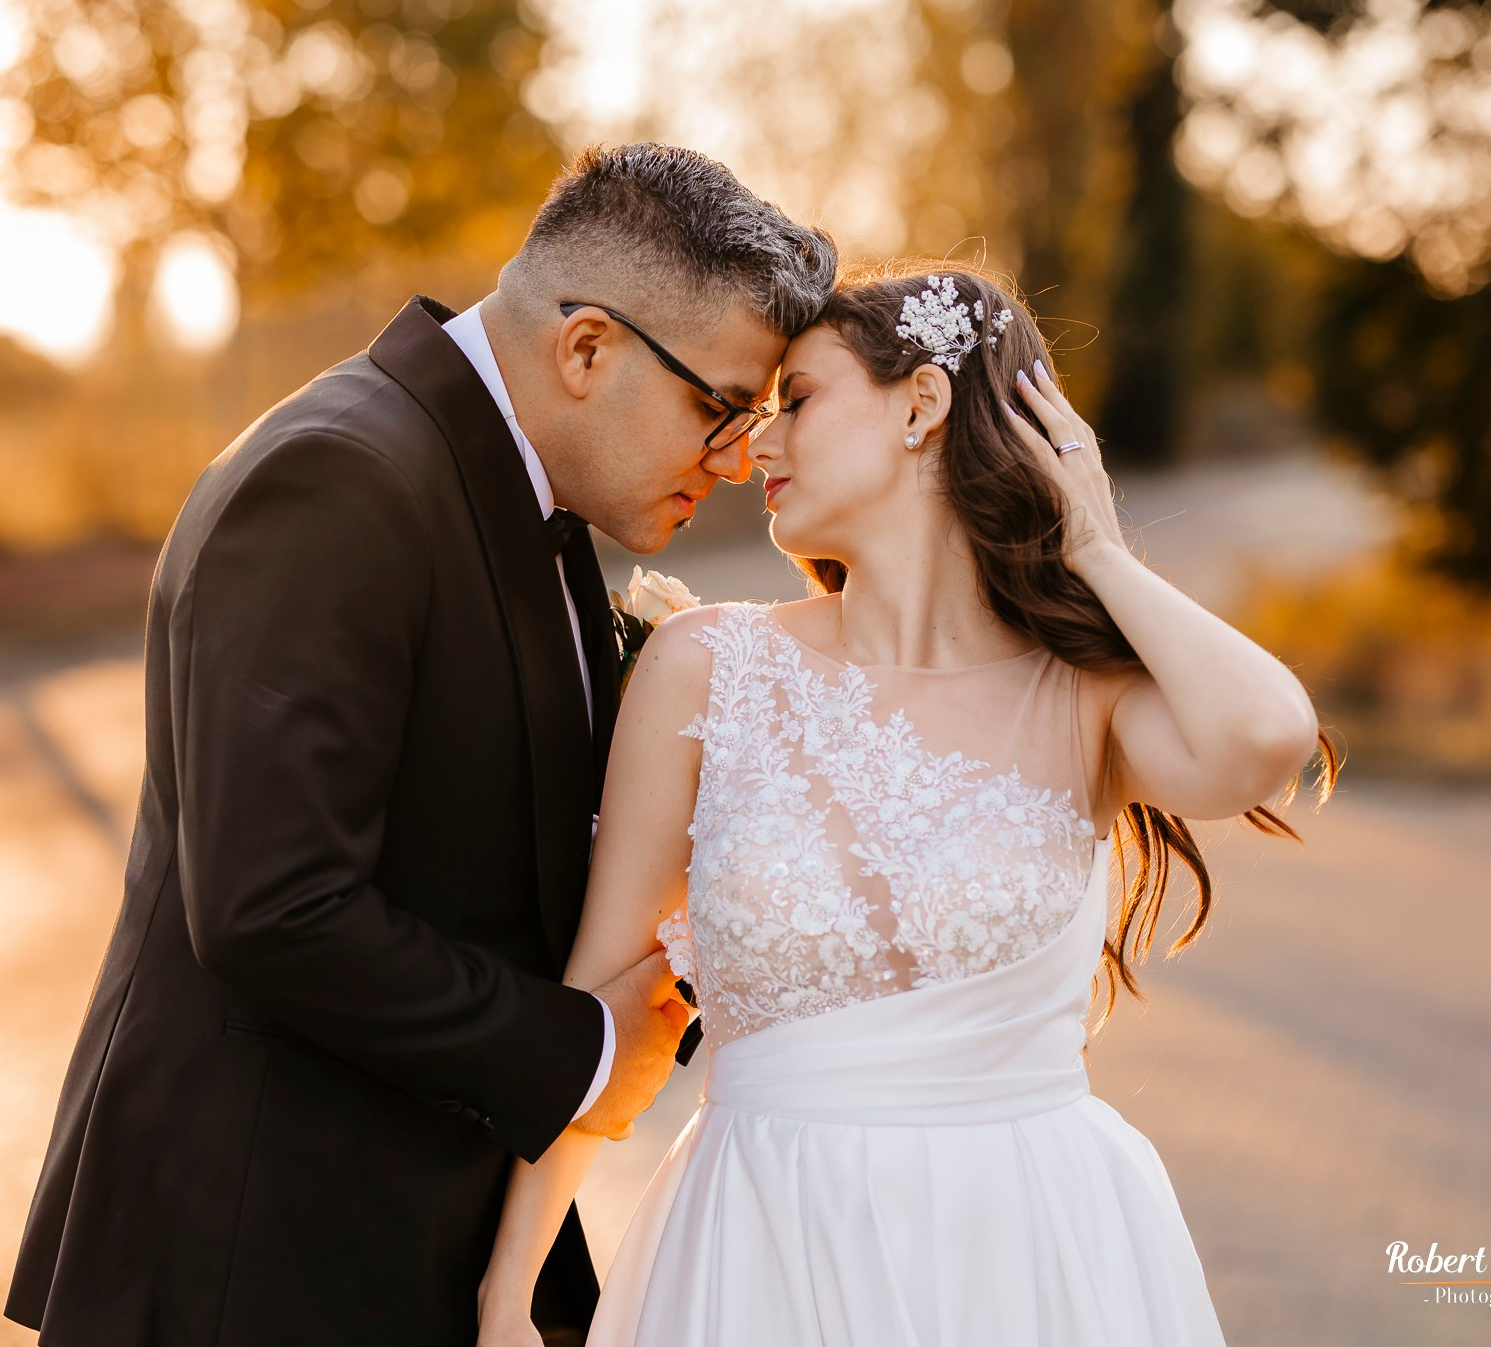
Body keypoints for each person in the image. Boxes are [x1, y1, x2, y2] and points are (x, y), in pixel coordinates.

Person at [1, 144, 837, 1347]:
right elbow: (269, 905)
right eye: (717, 408)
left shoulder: (511, 485)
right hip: (256, 1256)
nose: (733, 456)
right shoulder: (340, 476)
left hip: (396, 1230)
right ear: (587, 348)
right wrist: (581, 1049)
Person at [475, 263, 1337, 1346]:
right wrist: (509, 1294)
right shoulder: (707, 669)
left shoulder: (1080, 697)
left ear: (920, 404)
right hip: (759, 1248)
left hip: (1027, 1251)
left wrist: (1096, 548)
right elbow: (599, 1006)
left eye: (796, 402)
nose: (754, 449)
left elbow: (1264, 737)